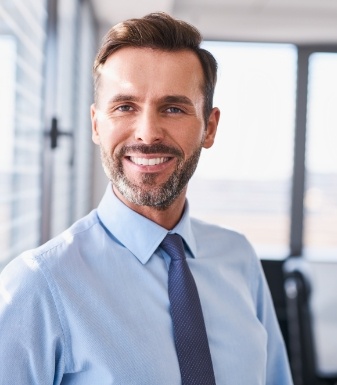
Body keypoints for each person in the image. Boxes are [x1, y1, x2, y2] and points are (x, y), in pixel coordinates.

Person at [0, 12, 293, 385]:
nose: (147, 132)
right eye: (125, 107)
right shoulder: (38, 286)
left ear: (210, 126)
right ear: (95, 124)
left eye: (173, 108)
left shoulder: (239, 259)